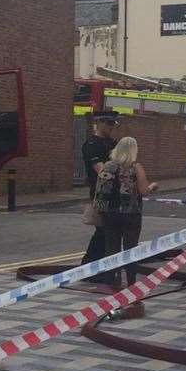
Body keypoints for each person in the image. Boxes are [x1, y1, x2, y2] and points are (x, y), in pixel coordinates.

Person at [95, 135, 156, 305]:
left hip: (110, 214)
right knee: (130, 249)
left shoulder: (107, 166)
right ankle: (130, 283)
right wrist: (153, 186)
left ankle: (110, 281)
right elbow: (144, 191)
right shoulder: (135, 167)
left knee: (111, 247)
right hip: (131, 214)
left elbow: (100, 189)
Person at [80, 112, 119, 276]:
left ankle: (103, 267)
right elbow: (102, 171)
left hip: (116, 193)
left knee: (112, 232)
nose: (111, 127)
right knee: (103, 230)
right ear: (99, 123)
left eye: (113, 124)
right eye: (109, 123)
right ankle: (89, 266)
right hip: (101, 193)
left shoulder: (113, 143)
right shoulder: (92, 144)